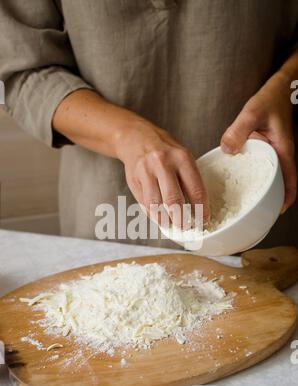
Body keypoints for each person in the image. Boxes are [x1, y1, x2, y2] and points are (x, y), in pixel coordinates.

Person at [0, 0, 297, 247]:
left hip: (267, 224)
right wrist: (124, 134)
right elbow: (22, 71)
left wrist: (287, 87)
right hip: (108, 223)